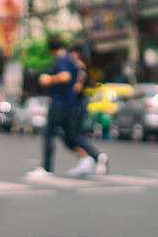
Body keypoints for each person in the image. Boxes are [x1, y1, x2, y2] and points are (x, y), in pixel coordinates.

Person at [27, 36, 106, 179]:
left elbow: (65, 76)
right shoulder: (72, 61)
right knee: (71, 136)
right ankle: (94, 156)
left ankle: (46, 168)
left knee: (48, 133)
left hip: (60, 103)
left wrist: (49, 79)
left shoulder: (62, 59)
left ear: (51, 49)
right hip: (71, 104)